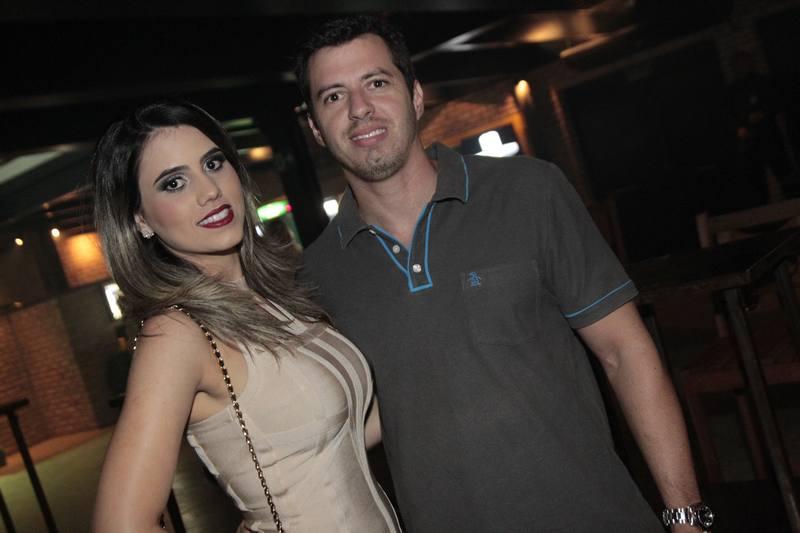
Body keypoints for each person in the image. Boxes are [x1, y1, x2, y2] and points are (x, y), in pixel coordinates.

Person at [297, 16, 711, 532]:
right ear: (315, 128)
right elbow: (349, 424)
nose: (360, 108)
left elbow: (624, 352)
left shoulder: (530, 191)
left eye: (377, 82)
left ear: (416, 96)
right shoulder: (314, 277)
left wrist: (686, 517)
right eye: (334, 96)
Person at [91, 101, 401, 533]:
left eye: (213, 163)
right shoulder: (176, 334)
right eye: (174, 183)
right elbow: (119, 524)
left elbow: (335, 440)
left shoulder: (273, 298)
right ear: (140, 219)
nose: (209, 191)